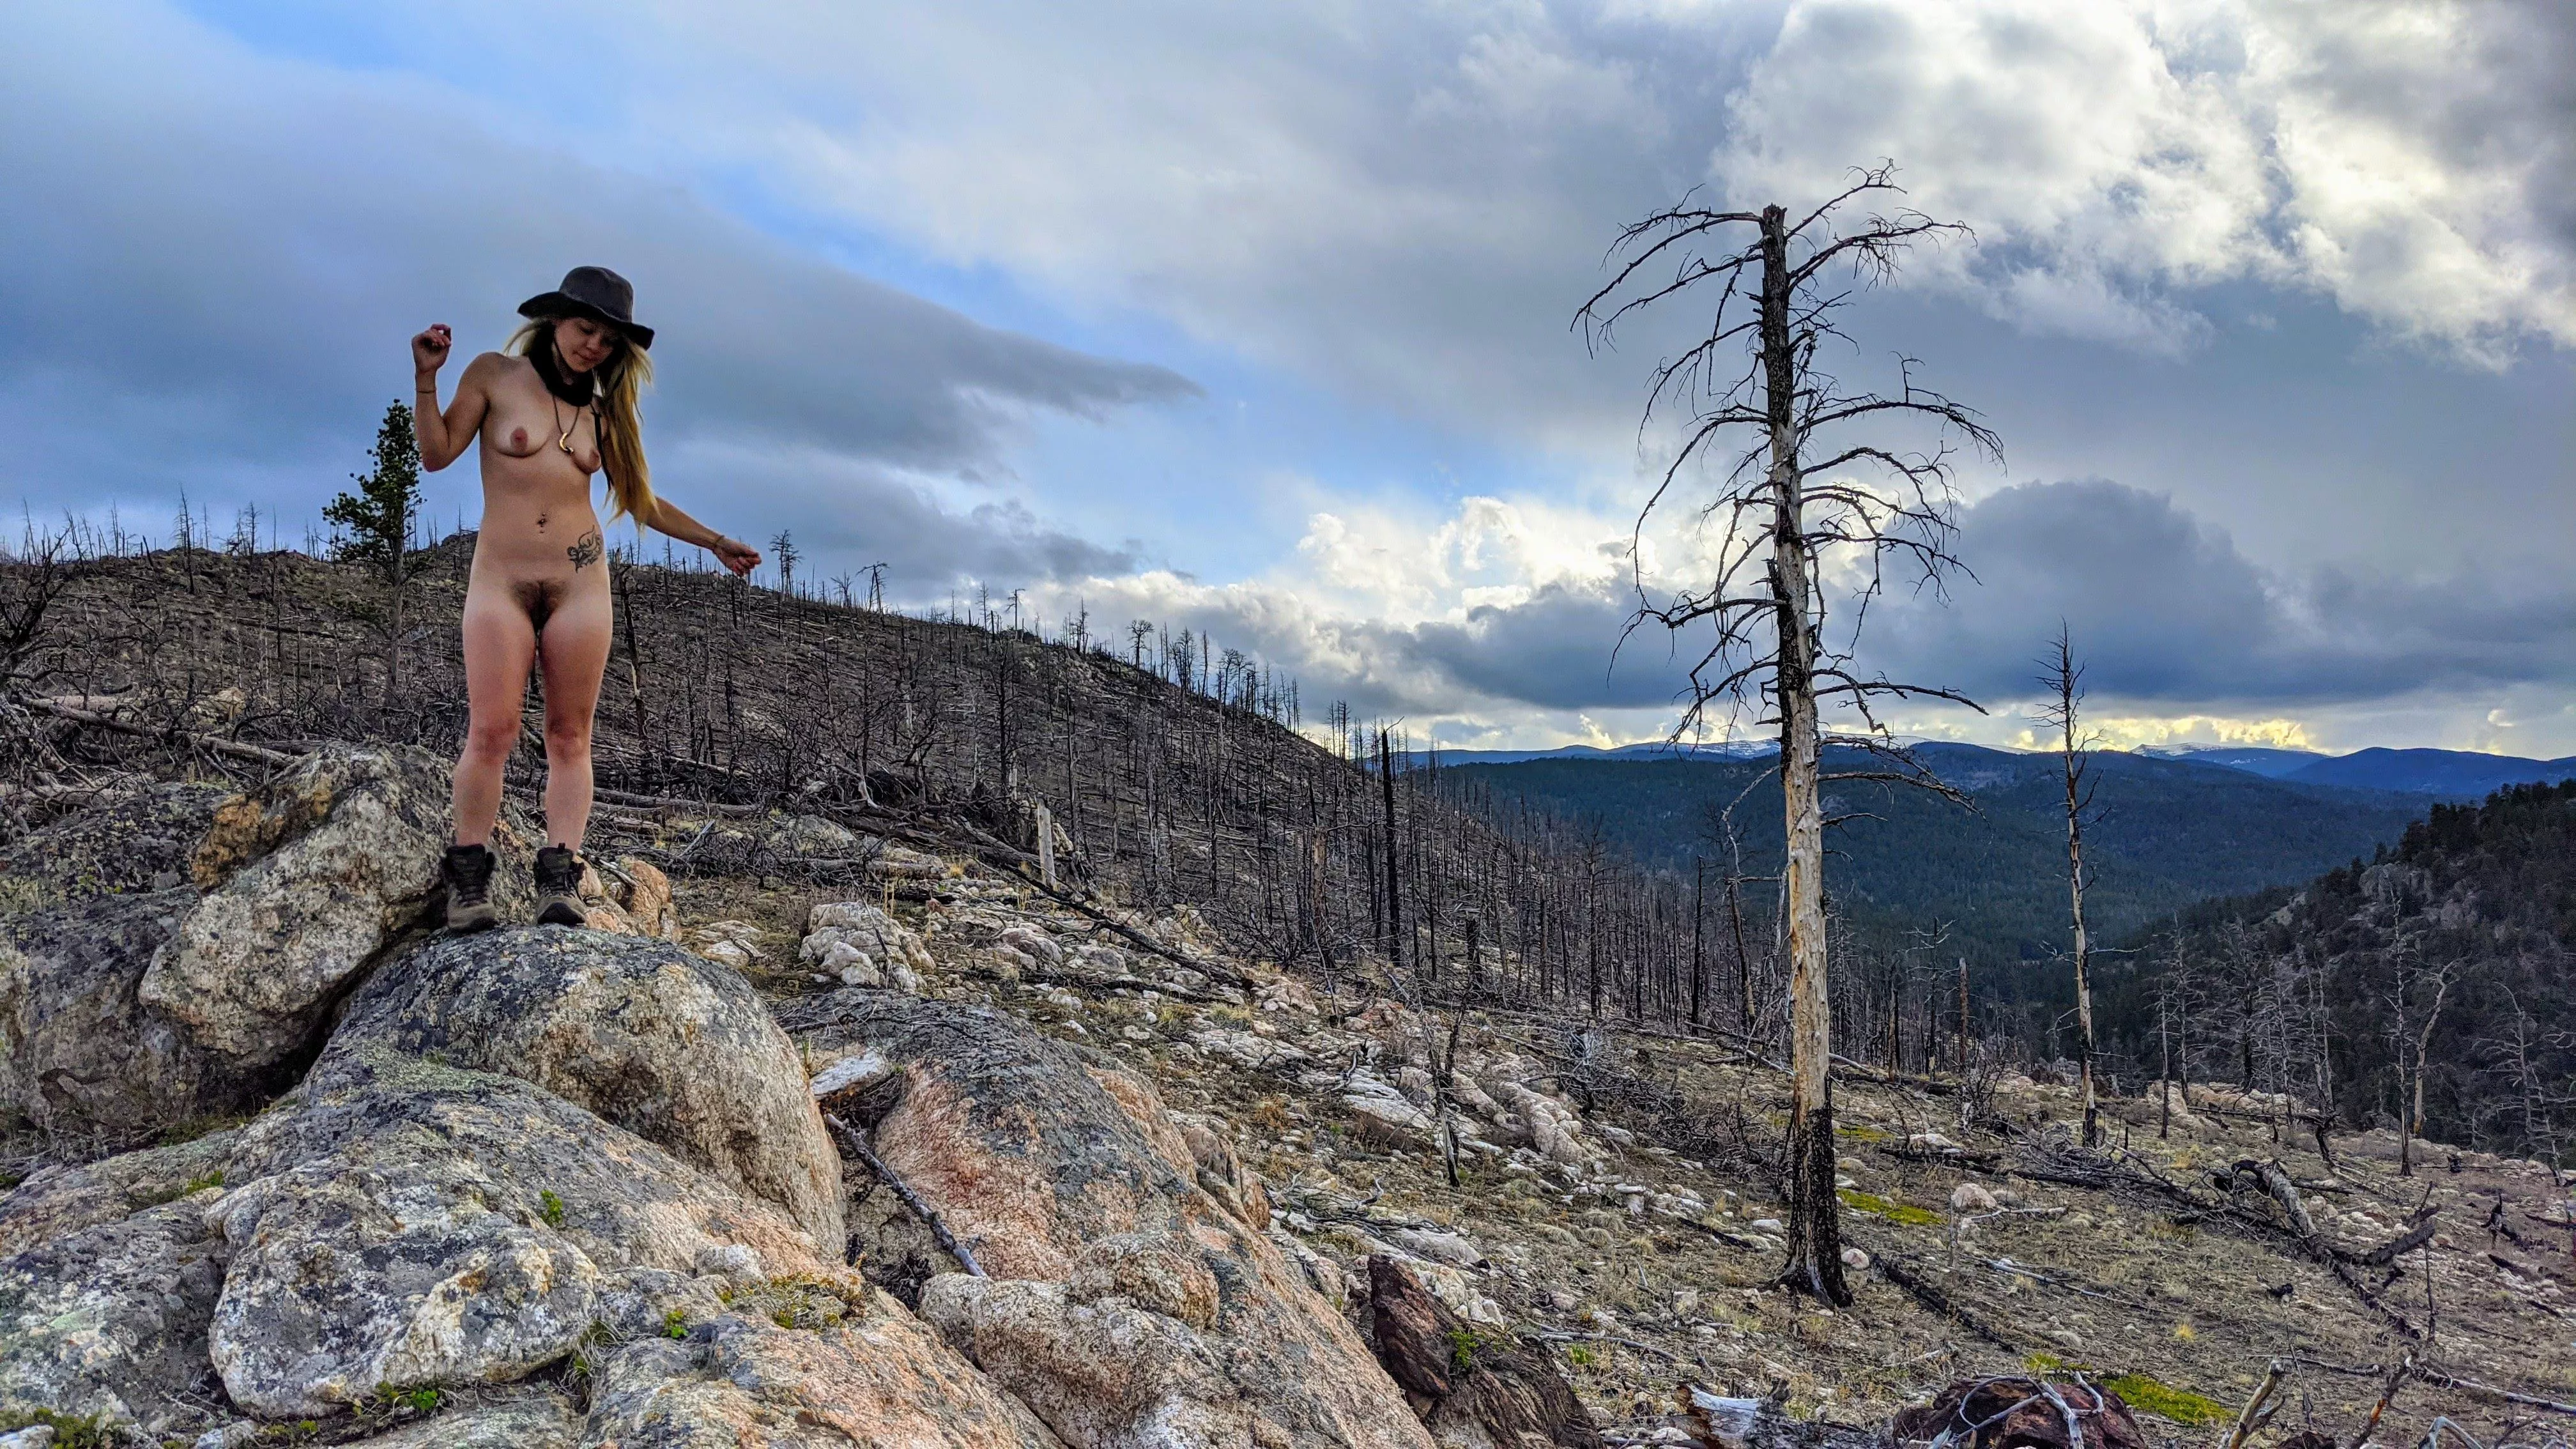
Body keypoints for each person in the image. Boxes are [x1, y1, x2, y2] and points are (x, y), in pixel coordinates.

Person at [411, 266, 760, 930]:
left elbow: (641, 499)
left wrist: (713, 541)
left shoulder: (604, 412)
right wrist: (427, 376)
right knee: (492, 730)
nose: (593, 345)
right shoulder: (493, 376)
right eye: (584, 328)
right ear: (554, 320)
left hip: (580, 586)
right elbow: (436, 452)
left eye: (608, 338)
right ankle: (467, 881)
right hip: (501, 581)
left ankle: (560, 880)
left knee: (570, 736)